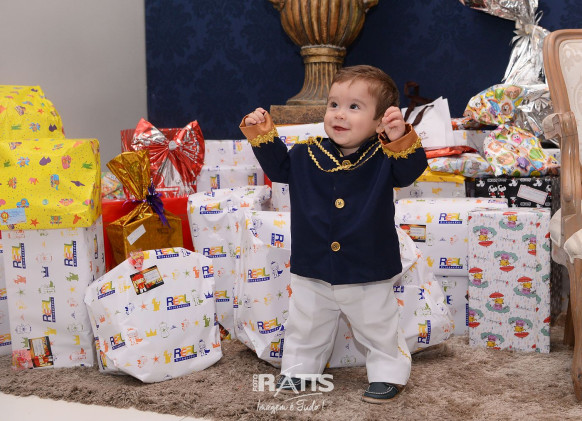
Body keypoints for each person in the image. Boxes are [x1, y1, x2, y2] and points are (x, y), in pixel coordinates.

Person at [239, 65, 427, 404]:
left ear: (379, 122)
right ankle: (300, 369)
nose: (339, 114)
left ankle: (388, 372)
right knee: (306, 324)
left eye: (354, 107)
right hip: (313, 265)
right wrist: (262, 132)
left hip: (367, 267)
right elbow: (278, 168)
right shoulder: (305, 153)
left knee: (377, 326)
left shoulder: (385, 157)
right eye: (334, 104)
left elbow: (410, 171)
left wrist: (398, 136)